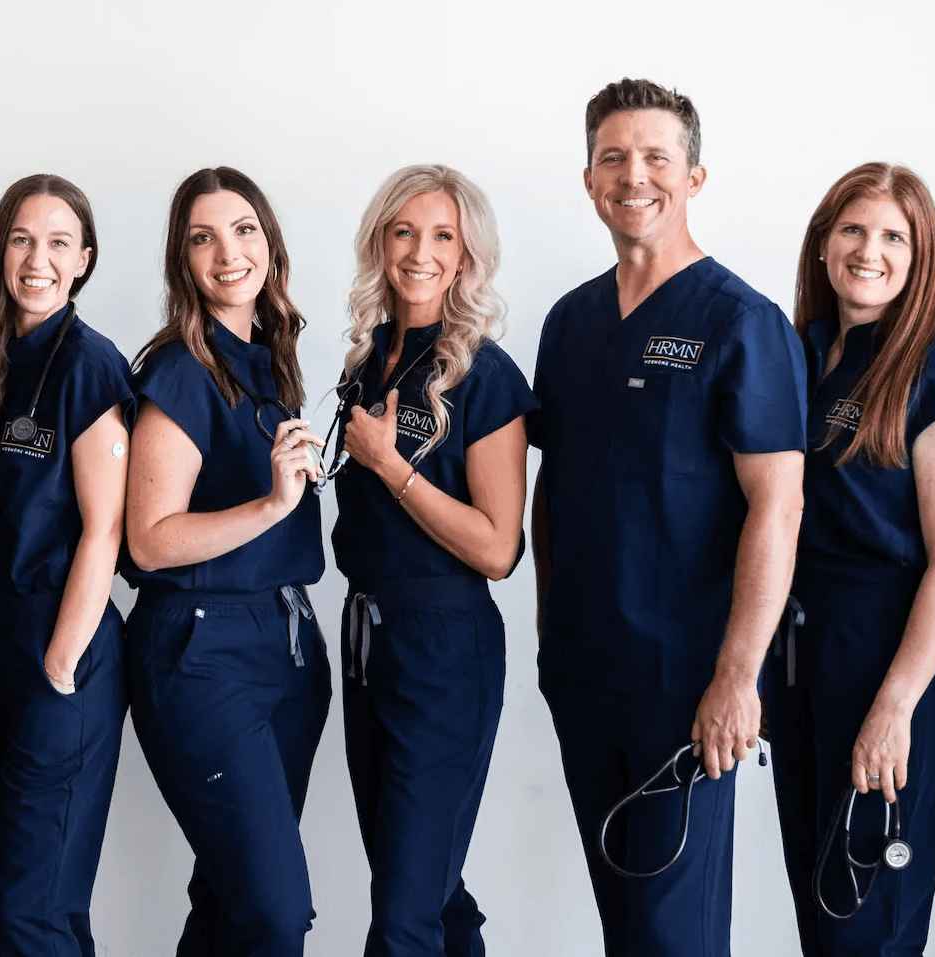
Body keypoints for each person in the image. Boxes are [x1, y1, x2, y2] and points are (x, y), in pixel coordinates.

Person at [528, 78, 807, 956]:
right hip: (583, 673)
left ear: (695, 176)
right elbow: (556, 484)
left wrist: (737, 678)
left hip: (684, 684)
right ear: (587, 179)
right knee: (627, 925)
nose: (633, 175)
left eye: (657, 157)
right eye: (613, 157)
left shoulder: (743, 322)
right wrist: (549, 633)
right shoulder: (570, 322)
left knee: (670, 931)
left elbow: (779, 503)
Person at [768, 163, 935, 955]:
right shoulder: (802, 353)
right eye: (854, 230)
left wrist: (895, 708)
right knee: (821, 910)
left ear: (920, 255)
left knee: (868, 915)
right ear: (824, 244)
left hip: (889, 657)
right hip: (802, 655)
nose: (871, 250)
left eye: (895, 236)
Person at [328, 165, 535, 957]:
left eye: (443, 235)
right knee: (427, 889)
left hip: (445, 645)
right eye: (403, 231)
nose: (421, 251)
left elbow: (497, 548)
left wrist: (389, 464)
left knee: (405, 915)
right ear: (379, 243)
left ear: (467, 255)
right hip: (367, 639)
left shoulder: (486, 374)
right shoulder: (367, 360)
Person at [123, 167, 331, 957]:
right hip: (202, 652)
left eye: (243, 229)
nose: (227, 252)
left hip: (284, 647)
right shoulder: (181, 368)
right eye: (202, 237)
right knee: (274, 909)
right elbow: (149, 539)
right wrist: (273, 505)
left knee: (232, 897)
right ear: (183, 260)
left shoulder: (269, 359)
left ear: (269, 242)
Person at [0, 173, 132, 956]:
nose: (38, 258)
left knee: (35, 914)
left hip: (61, 653)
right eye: (22, 239)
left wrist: (61, 662)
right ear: (0, 252)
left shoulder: (88, 365)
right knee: (37, 905)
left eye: (59, 242)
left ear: (84, 259)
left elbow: (104, 527)